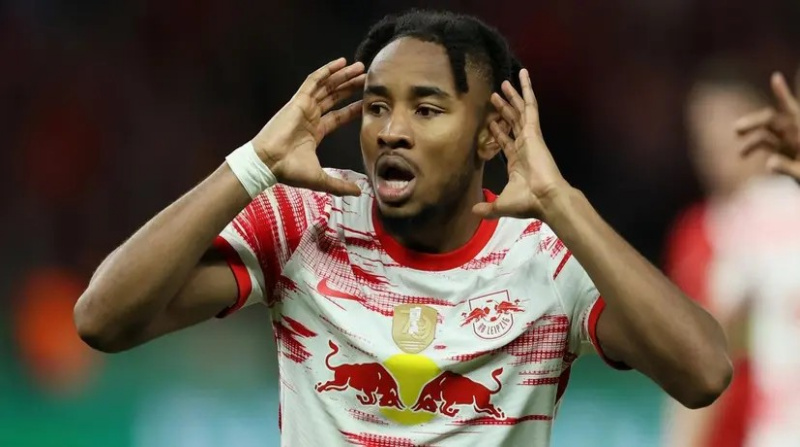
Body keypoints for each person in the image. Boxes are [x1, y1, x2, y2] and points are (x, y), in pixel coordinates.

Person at [74, 10, 731, 446]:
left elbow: (703, 374)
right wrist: (252, 165)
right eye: (377, 107)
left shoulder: (547, 259)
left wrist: (562, 202)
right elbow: (103, 319)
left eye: (427, 109)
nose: (391, 130)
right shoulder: (305, 223)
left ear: (490, 135)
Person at [661, 62, 769, 447]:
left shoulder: (785, 223)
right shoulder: (690, 231)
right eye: (702, 128)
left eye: (728, 122)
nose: (714, 139)